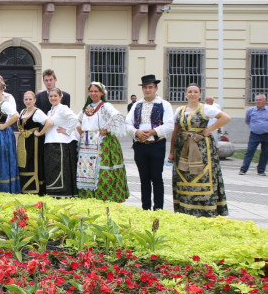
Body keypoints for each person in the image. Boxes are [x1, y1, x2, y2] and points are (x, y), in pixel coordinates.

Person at [169, 83, 231, 217]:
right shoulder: (179, 110)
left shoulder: (206, 108)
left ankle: (205, 210)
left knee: (202, 176)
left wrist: (209, 129)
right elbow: (176, 130)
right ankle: (184, 209)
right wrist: (171, 151)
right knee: (184, 176)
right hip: (182, 147)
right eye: (190, 91)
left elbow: (226, 117)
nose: (192, 94)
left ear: (200, 94)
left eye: (195, 92)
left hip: (201, 148)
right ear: (185, 94)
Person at [125, 74, 175, 210]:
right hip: (140, 146)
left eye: (150, 87)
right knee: (144, 179)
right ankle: (145, 208)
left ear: (156, 88)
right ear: (143, 89)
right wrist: (136, 132)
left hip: (156, 145)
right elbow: (127, 123)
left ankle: (158, 208)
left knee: (157, 178)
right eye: (145, 87)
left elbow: (170, 125)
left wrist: (153, 132)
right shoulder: (137, 105)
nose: (148, 90)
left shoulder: (164, 105)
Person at [76, 82, 129, 202]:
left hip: (101, 143)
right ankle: (87, 198)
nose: (93, 93)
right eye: (91, 91)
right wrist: (80, 129)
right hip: (86, 145)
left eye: (96, 91)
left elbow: (117, 116)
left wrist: (106, 127)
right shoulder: (87, 107)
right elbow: (77, 121)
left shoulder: (106, 106)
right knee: (86, 172)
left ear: (102, 93)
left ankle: (104, 198)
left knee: (101, 172)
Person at [39, 87, 78, 197]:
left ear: (61, 97)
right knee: (52, 169)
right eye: (51, 96)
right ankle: (52, 193)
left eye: (55, 96)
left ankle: (63, 194)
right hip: (50, 142)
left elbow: (74, 119)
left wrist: (68, 131)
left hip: (61, 143)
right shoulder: (50, 111)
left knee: (60, 169)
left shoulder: (63, 108)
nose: (53, 98)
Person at [16, 90, 47, 195]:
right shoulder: (23, 111)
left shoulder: (37, 112)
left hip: (33, 142)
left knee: (32, 162)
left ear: (35, 100)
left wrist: (40, 132)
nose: (28, 101)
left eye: (30, 99)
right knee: (23, 163)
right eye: (26, 99)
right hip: (23, 141)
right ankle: (24, 188)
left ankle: (35, 189)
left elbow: (48, 122)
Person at [240, 94, 268, 175]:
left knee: (265, 153)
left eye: (260, 100)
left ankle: (261, 170)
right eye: (257, 100)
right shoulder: (250, 110)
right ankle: (243, 169)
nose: (258, 101)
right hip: (254, 135)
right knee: (250, 151)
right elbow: (247, 121)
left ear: (265, 101)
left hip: (266, 135)